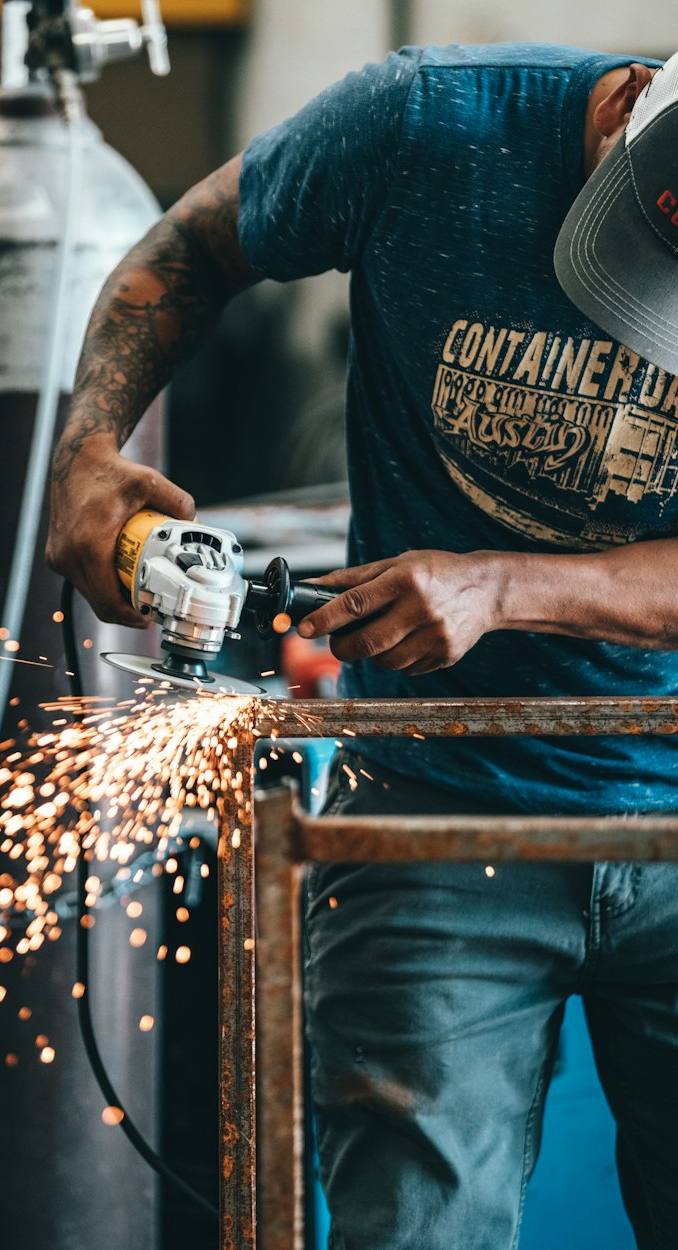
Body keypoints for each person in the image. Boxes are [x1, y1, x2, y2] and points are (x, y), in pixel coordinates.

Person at [47, 42, 678, 1250]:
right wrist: (86, 447)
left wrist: (508, 586)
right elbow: (191, 247)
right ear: (630, 111)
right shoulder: (422, 126)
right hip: (435, 794)